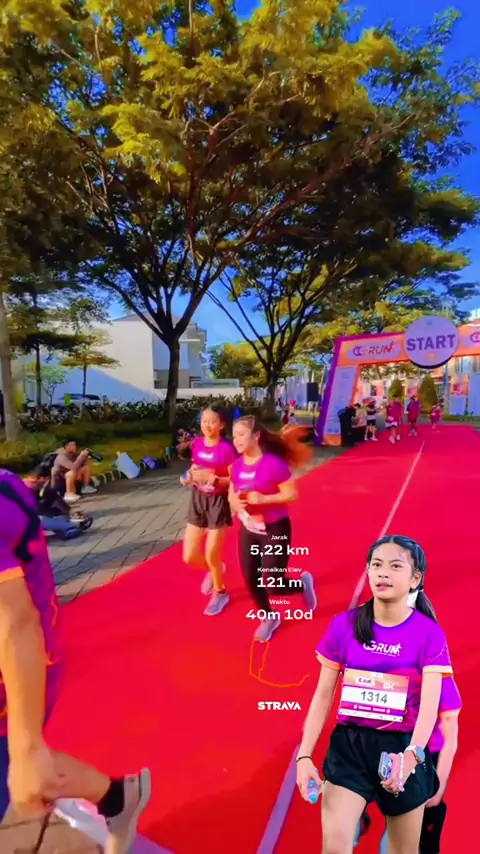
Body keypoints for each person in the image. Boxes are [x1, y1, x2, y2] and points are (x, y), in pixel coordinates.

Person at [0, 469, 150, 852]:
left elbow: (14, 622)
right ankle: (118, 797)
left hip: (16, 671)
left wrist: (27, 745)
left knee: (20, 758)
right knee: (21, 763)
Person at [296, 535, 452, 854]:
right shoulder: (343, 626)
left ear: (415, 579)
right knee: (334, 846)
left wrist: (411, 757)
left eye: (395, 566)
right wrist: (305, 756)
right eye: (376, 565)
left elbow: (429, 707)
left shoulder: (429, 634)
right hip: (350, 748)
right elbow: (323, 695)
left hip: (402, 749)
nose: (383, 573)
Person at [229, 417, 317, 642]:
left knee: (272, 584)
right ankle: (269, 617)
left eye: (241, 434)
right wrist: (236, 505)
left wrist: (263, 499)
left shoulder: (273, 464)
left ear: (256, 436)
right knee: (251, 580)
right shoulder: (237, 465)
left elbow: (292, 494)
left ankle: (302, 584)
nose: (236, 439)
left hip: (275, 528)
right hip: (249, 528)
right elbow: (232, 492)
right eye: (234, 435)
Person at [355, 676, 461, 853]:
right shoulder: (379, 669)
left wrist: (438, 789)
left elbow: (450, 740)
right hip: (377, 751)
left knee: (402, 832)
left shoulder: (442, 681)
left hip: (420, 761)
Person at [181, 406, 236, 616]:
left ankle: (221, 593)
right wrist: (188, 476)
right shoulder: (197, 444)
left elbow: (234, 480)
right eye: (204, 421)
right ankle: (216, 570)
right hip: (198, 500)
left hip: (218, 503)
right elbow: (194, 467)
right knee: (189, 556)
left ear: (221, 425)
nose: (207, 425)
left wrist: (213, 479)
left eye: (212, 421)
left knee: (212, 553)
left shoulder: (227, 449)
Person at [51, 439, 97, 505]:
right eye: (72, 445)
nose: (74, 447)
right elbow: (72, 467)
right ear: (66, 447)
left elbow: (80, 465)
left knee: (85, 468)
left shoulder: (72, 454)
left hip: (70, 477)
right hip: (60, 480)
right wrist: (81, 456)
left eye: (74, 445)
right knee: (71, 473)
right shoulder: (61, 456)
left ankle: (85, 487)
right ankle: (69, 494)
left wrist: (85, 458)